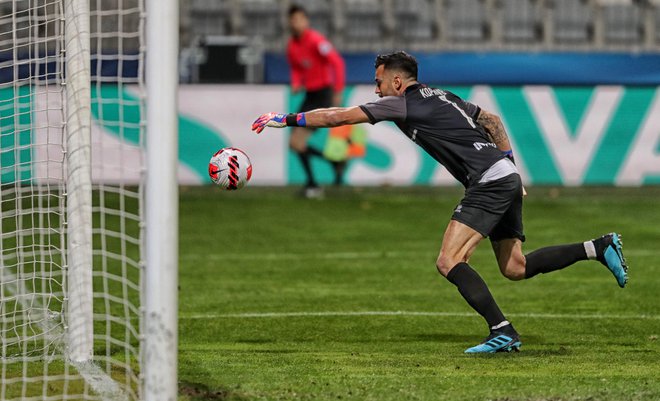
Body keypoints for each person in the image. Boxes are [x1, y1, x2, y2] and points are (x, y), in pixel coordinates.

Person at [251, 51, 629, 353]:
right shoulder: (446, 96)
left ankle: (503, 330)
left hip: (488, 182)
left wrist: (287, 118)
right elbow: (494, 121)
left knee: (449, 261)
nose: (377, 89)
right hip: (504, 176)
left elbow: (338, 116)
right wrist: (510, 168)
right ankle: (598, 247)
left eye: (380, 81)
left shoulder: (402, 104)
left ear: (397, 81)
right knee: (515, 267)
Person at [286, 4, 346, 199]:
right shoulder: (292, 46)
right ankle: (334, 163)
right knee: (295, 143)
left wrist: (337, 90)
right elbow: (296, 68)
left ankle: (313, 184)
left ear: (306, 20)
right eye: (293, 19)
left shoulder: (316, 40)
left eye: (299, 19)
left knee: (296, 141)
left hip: (322, 95)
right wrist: (296, 83)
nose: (296, 23)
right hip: (310, 95)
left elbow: (337, 62)